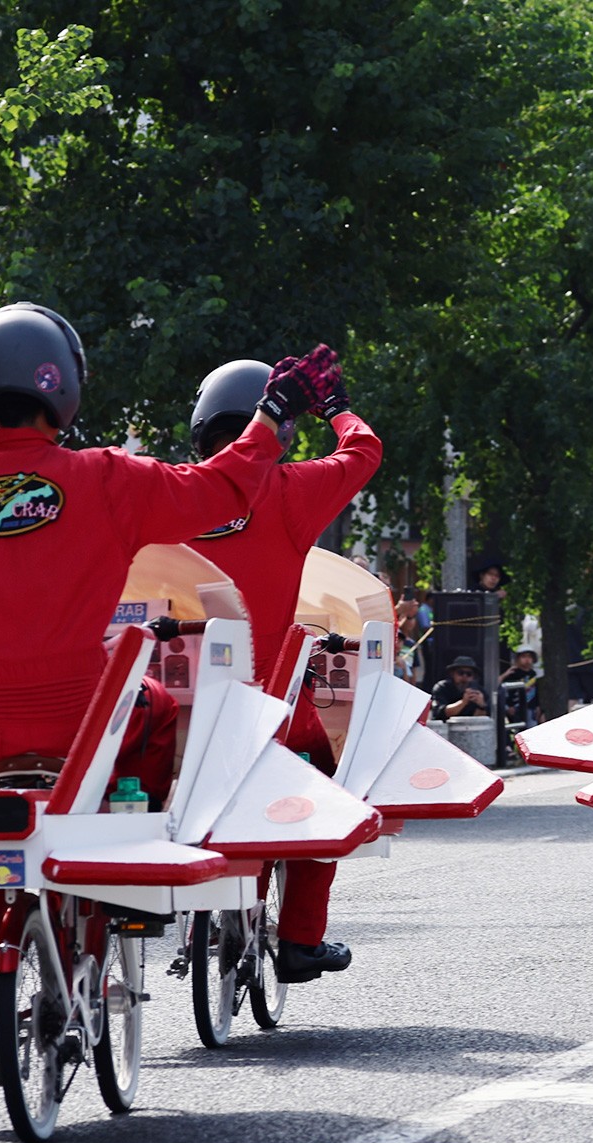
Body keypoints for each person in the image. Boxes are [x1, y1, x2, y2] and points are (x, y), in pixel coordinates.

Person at [0, 302, 316, 1083]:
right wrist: (271, 417)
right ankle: (128, 877)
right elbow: (219, 490)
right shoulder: (103, 477)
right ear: (62, 388)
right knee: (159, 712)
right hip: (89, 720)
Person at [186, 356, 383, 986]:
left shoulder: (174, 490)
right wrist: (336, 407)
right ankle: (300, 938)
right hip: (265, 703)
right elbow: (365, 452)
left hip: (179, 705)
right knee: (323, 776)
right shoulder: (289, 490)